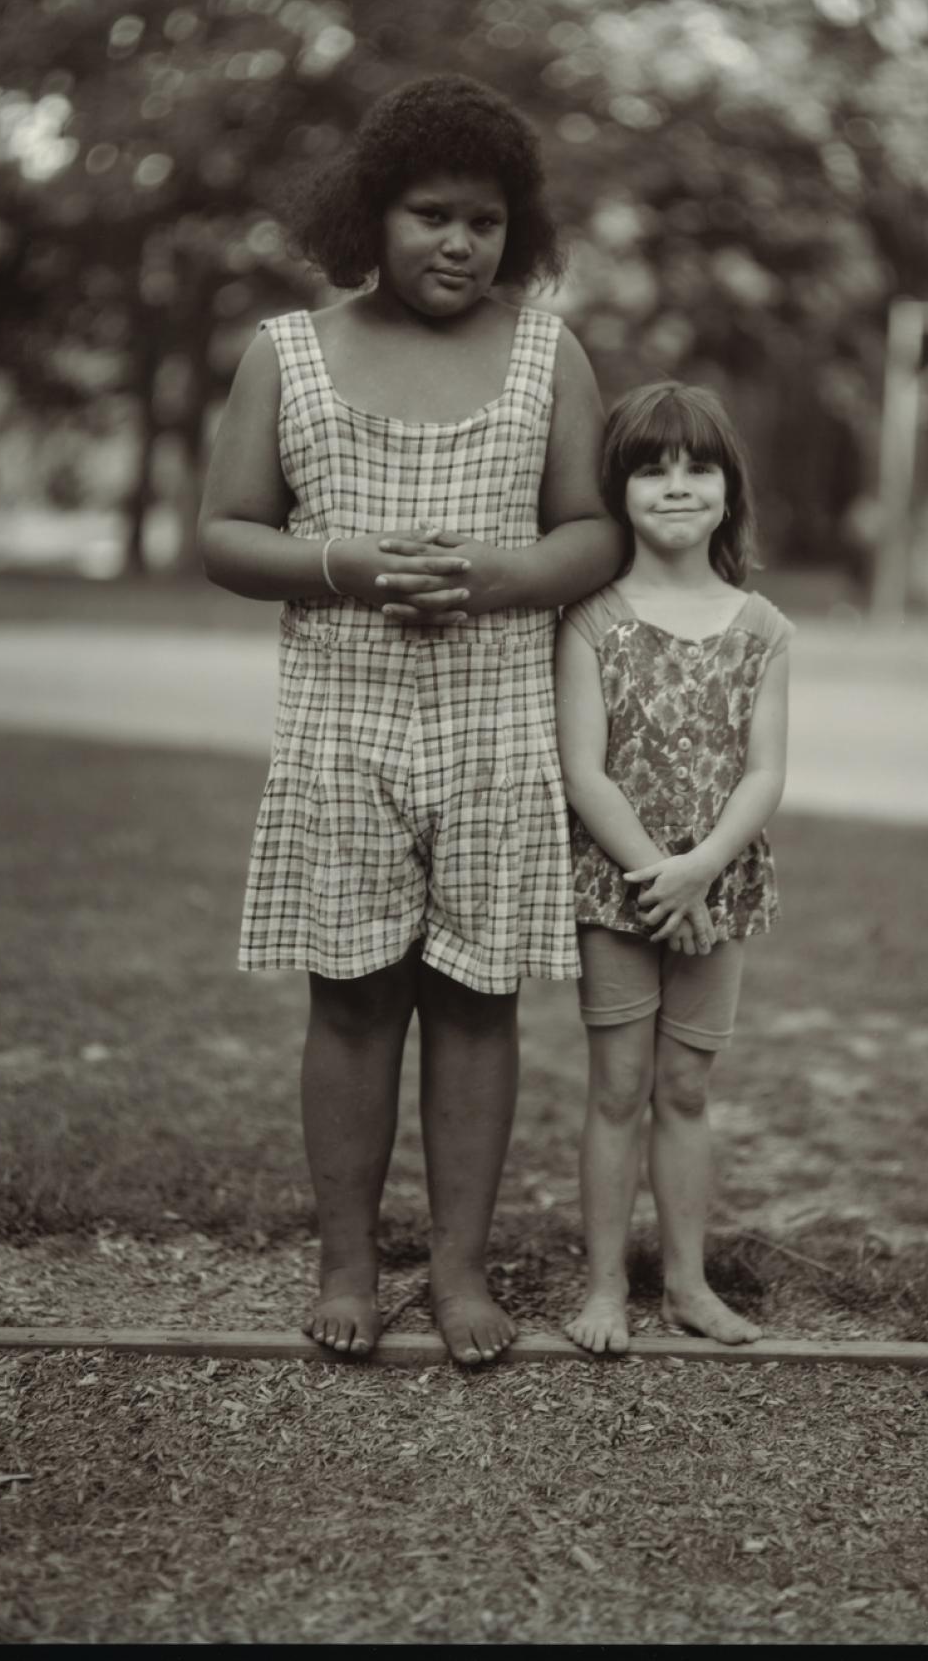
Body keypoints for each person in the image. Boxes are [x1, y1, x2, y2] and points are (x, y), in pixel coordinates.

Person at [198, 74, 621, 1366]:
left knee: (480, 1000)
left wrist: (497, 577)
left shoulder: (550, 349)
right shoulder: (291, 351)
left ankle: (458, 1268)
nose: (458, 243)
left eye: (485, 221)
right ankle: (346, 1258)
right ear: (368, 217)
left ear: (519, 230)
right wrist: (355, 566)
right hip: (344, 717)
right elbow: (222, 535)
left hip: (498, 723)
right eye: (429, 215)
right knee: (355, 997)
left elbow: (594, 530)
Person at [554, 381, 794, 1355]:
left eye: (697, 467)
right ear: (617, 492)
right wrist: (661, 875)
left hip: (719, 883)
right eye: (650, 469)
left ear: (729, 490)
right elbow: (582, 770)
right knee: (616, 1088)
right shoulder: (592, 621)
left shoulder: (761, 627)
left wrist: (702, 869)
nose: (676, 485)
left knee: (686, 1090)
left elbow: (766, 770)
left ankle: (688, 1287)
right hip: (621, 890)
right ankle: (605, 1288)